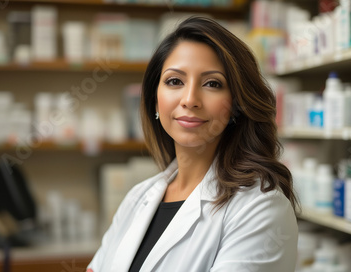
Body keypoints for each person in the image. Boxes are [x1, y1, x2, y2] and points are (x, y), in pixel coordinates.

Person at [87, 16, 298, 272]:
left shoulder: (260, 207)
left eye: (212, 83)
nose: (189, 100)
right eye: (175, 81)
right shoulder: (138, 198)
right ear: (155, 100)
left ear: (236, 105)